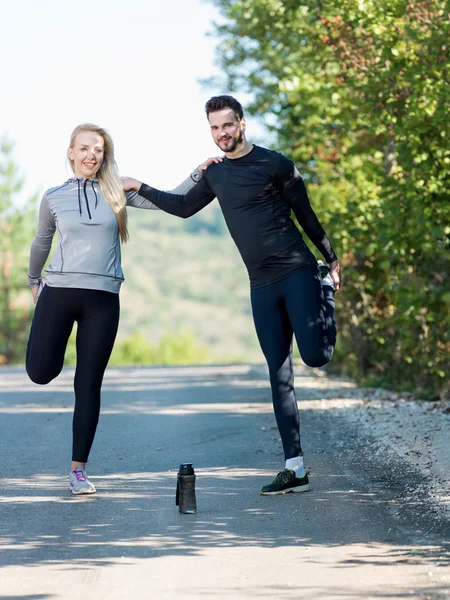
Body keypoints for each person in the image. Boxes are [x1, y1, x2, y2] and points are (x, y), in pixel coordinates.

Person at [122, 95, 341, 496]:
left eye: (227, 125)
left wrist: (331, 260)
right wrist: (138, 185)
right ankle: (295, 469)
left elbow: (306, 214)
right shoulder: (215, 174)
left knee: (315, 357)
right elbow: (183, 206)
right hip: (260, 284)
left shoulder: (275, 164)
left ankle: (324, 288)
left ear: (242, 123)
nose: (221, 134)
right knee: (279, 375)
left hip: (297, 270)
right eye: (214, 128)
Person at [26, 123, 218, 495]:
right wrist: (34, 281)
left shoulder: (117, 191)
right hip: (59, 292)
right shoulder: (53, 196)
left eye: (97, 150)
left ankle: (78, 470)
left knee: (89, 383)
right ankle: (49, 347)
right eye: (83, 148)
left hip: (103, 298)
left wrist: (198, 173)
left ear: (104, 155)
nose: (90, 155)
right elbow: (41, 240)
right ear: (71, 152)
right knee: (39, 372)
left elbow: (174, 201)